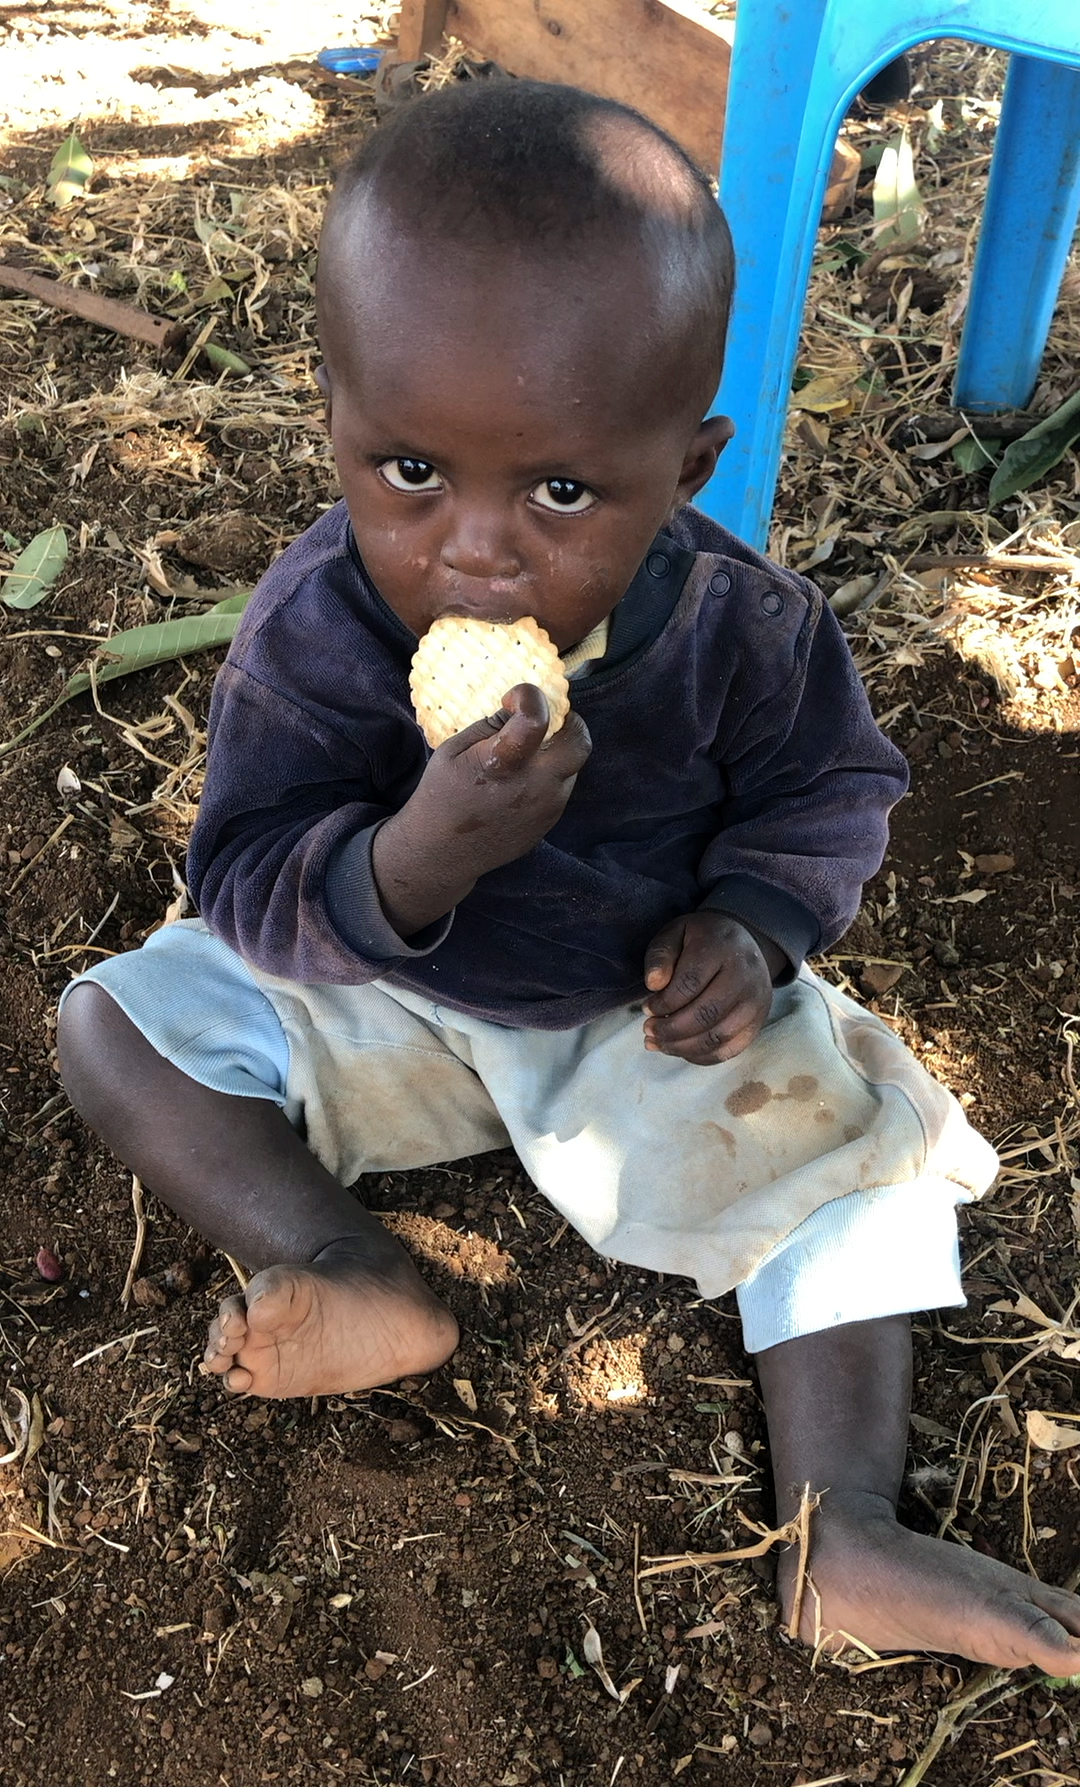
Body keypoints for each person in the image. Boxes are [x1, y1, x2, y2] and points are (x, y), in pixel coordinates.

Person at [57, 80, 1079, 1677]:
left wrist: (750, 925)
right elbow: (245, 873)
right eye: (408, 469)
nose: (475, 549)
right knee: (115, 1024)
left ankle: (846, 1527)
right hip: (383, 999)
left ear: (689, 464)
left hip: (631, 1025)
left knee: (855, 1143)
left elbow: (830, 790)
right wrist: (408, 863)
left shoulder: (748, 633)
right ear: (334, 420)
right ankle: (342, 1258)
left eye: (559, 492)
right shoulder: (317, 629)